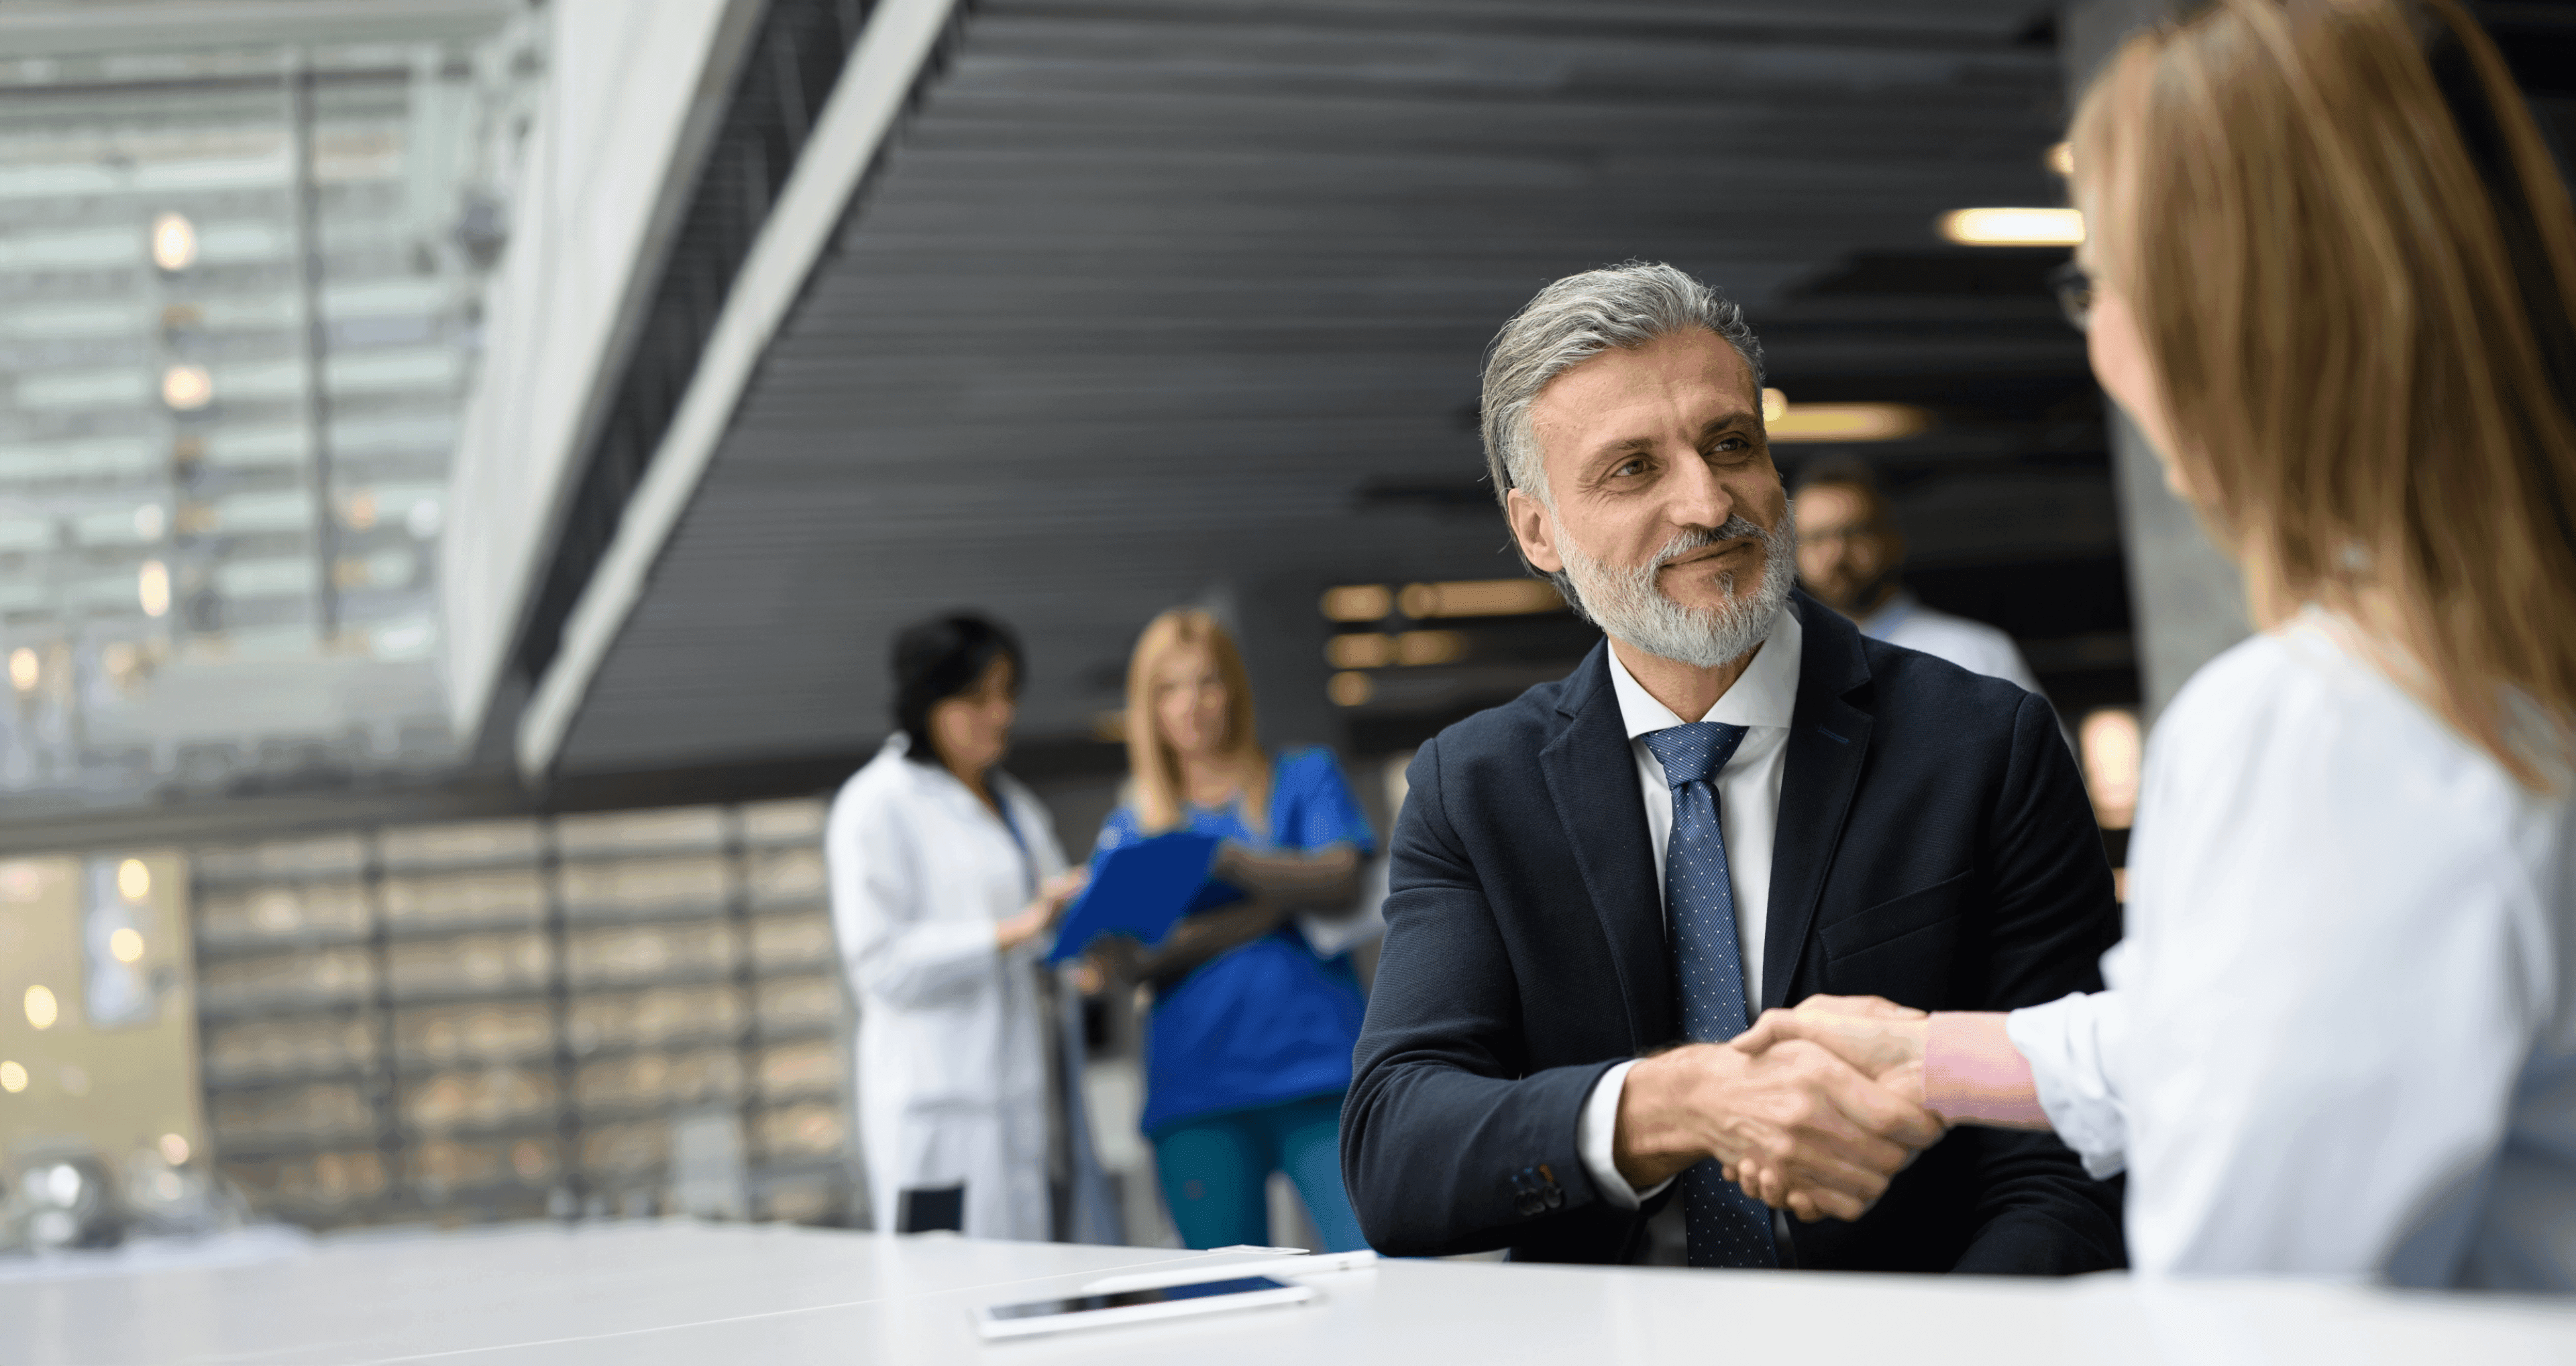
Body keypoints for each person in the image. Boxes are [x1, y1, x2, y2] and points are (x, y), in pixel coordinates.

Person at [1731, 0, 2576, 1289]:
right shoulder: (2499, 662)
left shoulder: (2329, 725)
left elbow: (2252, 1304)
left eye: (2101, 278)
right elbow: (2277, 1030)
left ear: (2223, 315)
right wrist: (1935, 1058)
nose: (2100, 332)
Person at [1339, 261, 2125, 1273]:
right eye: (1633, 470)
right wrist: (1679, 1104)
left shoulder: (1984, 745)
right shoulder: (1474, 790)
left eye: (1731, 445)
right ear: (1538, 530)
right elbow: (1398, 1155)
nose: (1709, 503)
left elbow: (2066, 1153)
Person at [1083, 609, 1376, 1253]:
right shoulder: (1135, 827)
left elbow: (1341, 881)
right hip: (1198, 1096)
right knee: (1226, 1309)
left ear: (1235, 690)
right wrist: (1271, 907)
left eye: (1206, 682)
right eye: (1169, 689)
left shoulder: (1304, 777)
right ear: (1148, 707)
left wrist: (1226, 862)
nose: (1191, 705)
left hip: (1321, 1075)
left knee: (1383, 1267)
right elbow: (1132, 958)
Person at [826, 613, 1085, 1241]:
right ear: (926, 703)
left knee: (1031, 1296)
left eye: (1007, 696)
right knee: (939, 1304)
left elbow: (1048, 926)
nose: (1001, 715)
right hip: (935, 1114)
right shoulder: (876, 803)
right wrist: (1011, 931)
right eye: (977, 699)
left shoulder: (1014, 804)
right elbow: (881, 966)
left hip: (1020, 1104)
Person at [1791, 460, 2043, 694]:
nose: (1836, 554)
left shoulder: (1974, 656)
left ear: (1894, 540)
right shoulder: (1783, 665)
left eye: (1855, 532)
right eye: (1817, 538)